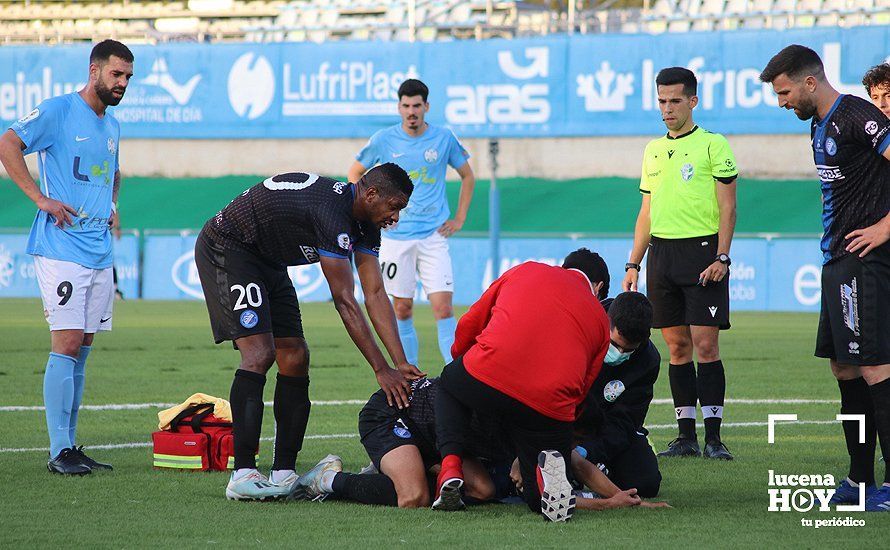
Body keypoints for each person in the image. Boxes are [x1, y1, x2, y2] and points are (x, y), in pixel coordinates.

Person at [194, 166, 425, 501]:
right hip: (229, 248)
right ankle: (243, 474)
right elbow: (345, 300)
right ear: (371, 194)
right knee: (259, 353)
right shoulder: (331, 213)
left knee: (296, 357)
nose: (396, 216)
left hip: (269, 261)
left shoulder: (366, 224)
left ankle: (284, 472)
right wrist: (380, 369)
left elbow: (375, 293)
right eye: (394, 206)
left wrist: (399, 362)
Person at [760, 45, 890, 512]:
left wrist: (885, 227)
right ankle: (860, 480)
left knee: (876, 366)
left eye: (785, 92)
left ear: (809, 82)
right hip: (836, 262)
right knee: (845, 367)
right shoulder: (819, 124)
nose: (782, 102)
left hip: (865, 260)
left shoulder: (857, 115)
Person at [0, 39, 133, 475]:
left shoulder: (110, 125)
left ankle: (72, 445)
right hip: (62, 245)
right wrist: (40, 197)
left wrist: (111, 203)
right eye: (116, 74)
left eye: (128, 77)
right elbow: (8, 143)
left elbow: (113, 171)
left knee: (85, 347)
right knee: (68, 341)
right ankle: (59, 449)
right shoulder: (58, 110)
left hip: (99, 247)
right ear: (94, 71)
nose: (122, 83)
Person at [432, 249, 619, 522]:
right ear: (598, 287)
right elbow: (583, 387)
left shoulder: (525, 270)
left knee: (449, 385)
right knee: (533, 498)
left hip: (490, 370)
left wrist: (465, 361)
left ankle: (450, 468)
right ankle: (543, 487)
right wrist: (558, 425)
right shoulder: (601, 320)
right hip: (549, 404)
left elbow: (470, 323)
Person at [621, 67, 738, 461]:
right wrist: (634, 262)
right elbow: (645, 213)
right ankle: (685, 437)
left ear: (693, 101)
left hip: (703, 254)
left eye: (674, 101)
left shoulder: (713, 144)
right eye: (661, 101)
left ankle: (714, 439)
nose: (666, 109)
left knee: (706, 345)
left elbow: (728, 207)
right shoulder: (653, 150)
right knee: (676, 347)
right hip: (663, 255)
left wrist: (722, 255)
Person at [347, 78, 476, 369]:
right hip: (396, 238)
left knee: (443, 308)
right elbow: (355, 171)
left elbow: (468, 175)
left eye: (416, 105)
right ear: (399, 107)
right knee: (402, 308)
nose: (411, 111)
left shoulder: (444, 138)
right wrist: (368, 214)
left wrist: (459, 218)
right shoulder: (383, 139)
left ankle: (455, 373)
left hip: (433, 236)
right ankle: (412, 377)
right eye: (406, 106)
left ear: (426, 106)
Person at [288, 377, 500, 508]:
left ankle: (391, 471)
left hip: (435, 434)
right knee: (414, 498)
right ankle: (327, 479)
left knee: (483, 490)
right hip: (392, 411)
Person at [575, 292, 662, 497]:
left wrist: (587, 452)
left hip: (606, 428)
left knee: (646, 483)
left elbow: (624, 422)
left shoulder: (648, 360)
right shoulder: (581, 329)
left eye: (628, 350)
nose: (620, 353)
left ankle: (598, 466)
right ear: (607, 323)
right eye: (615, 345)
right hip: (567, 422)